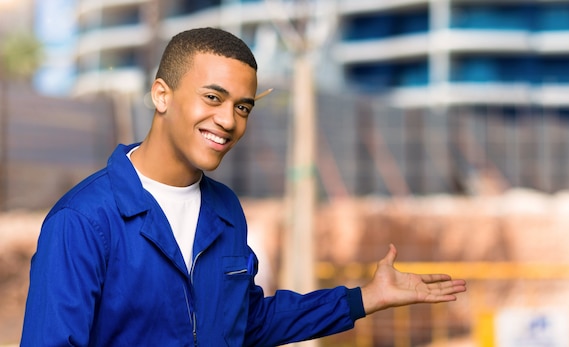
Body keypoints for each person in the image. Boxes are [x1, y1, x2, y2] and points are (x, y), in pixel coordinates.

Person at [21, 27, 466, 346]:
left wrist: (364, 299)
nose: (229, 121)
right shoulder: (82, 221)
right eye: (213, 98)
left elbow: (245, 324)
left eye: (244, 107)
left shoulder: (225, 211)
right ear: (162, 95)